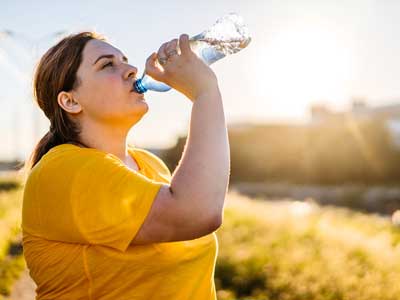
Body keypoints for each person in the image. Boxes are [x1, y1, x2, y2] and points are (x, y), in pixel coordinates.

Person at [21, 31, 230, 300]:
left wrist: (206, 93)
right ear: (70, 101)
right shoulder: (63, 170)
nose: (132, 70)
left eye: (126, 61)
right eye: (108, 64)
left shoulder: (149, 164)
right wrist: (205, 93)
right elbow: (196, 213)